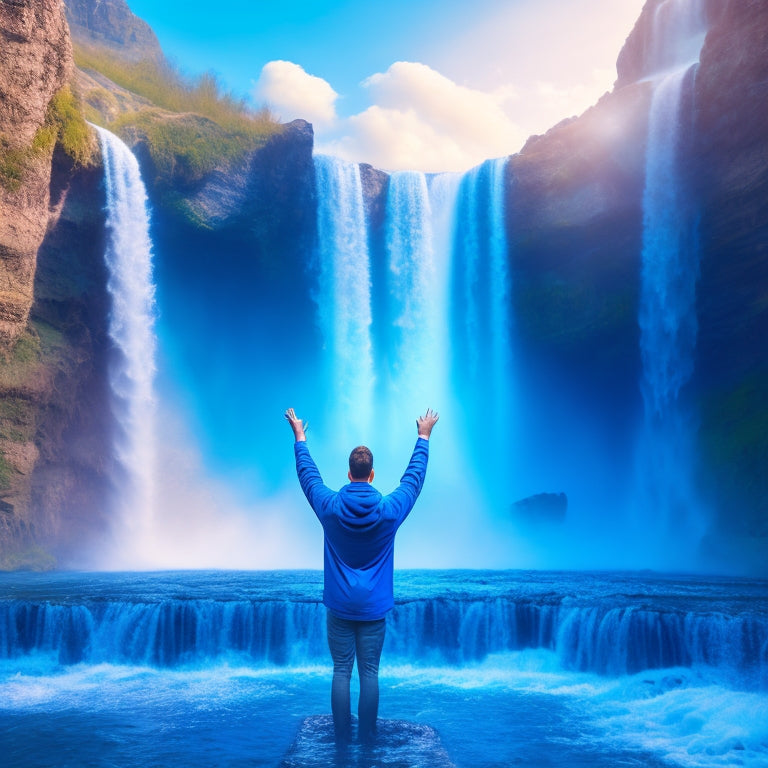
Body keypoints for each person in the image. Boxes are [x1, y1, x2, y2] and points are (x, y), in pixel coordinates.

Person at [284, 407, 439, 744]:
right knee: (369, 673)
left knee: (341, 671)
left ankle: (342, 737)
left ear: (350, 473)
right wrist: (423, 436)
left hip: (339, 607)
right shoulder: (389, 511)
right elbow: (413, 480)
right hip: (373, 610)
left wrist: (300, 437)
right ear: (371, 475)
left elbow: (308, 476)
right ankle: (367, 736)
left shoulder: (329, 507)